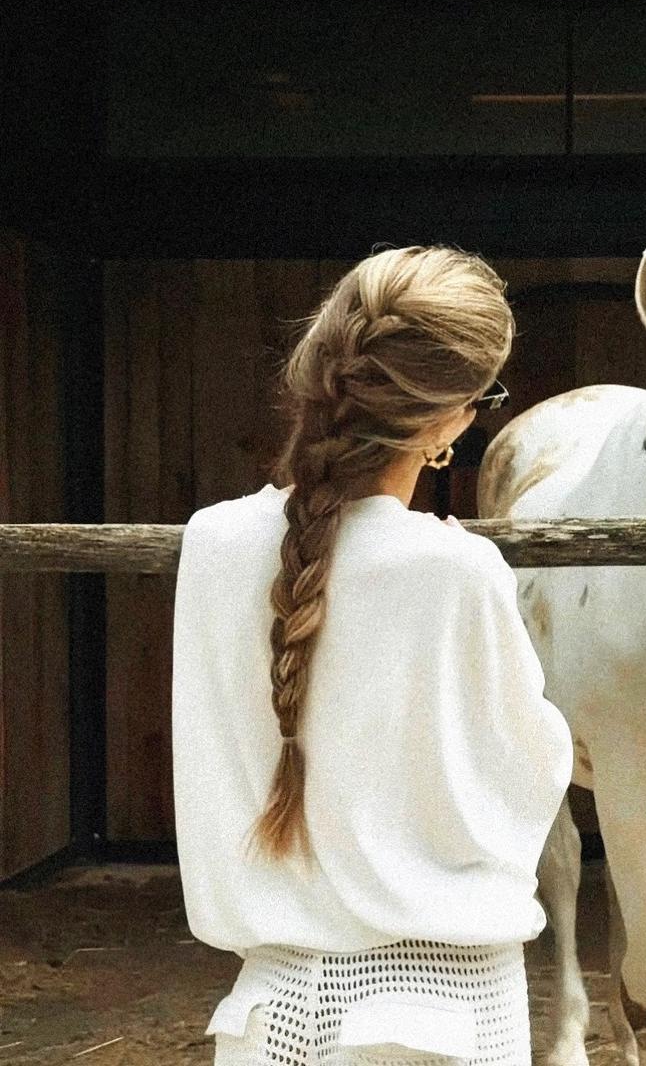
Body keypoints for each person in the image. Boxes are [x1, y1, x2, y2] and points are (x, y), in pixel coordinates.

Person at [170, 245, 574, 1066]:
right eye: (481, 398)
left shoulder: (210, 547)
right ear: (444, 423)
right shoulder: (456, 571)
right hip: (444, 1017)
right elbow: (522, 779)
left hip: (265, 1018)